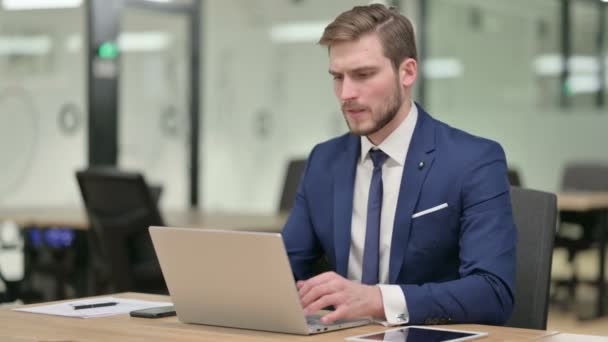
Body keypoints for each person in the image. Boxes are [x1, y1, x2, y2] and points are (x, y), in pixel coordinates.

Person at [282, 4, 516, 326]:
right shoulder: (324, 161)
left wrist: (378, 300)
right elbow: (285, 272)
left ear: (407, 72)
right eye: (338, 77)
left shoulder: (473, 161)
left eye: (363, 75)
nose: (346, 94)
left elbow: (492, 292)